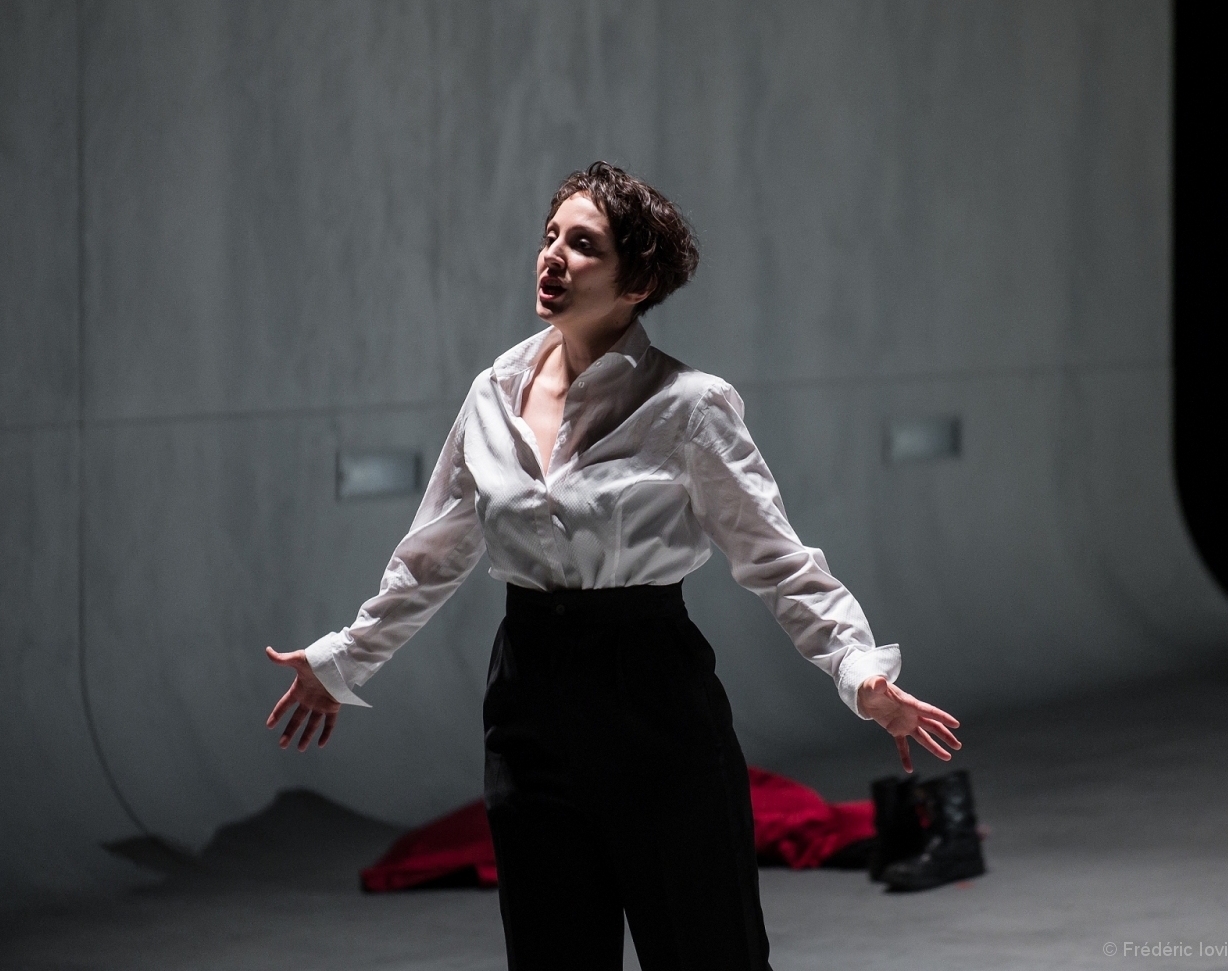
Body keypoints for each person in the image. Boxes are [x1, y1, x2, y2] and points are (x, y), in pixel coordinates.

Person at [264, 162, 962, 969]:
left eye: (583, 245)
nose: (553, 256)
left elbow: (778, 560)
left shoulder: (689, 405)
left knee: (709, 954)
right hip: (528, 700)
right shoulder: (492, 393)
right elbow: (432, 556)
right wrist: (344, 659)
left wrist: (859, 672)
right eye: (550, 236)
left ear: (638, 284)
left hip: (654, 697)